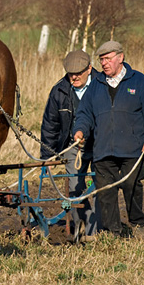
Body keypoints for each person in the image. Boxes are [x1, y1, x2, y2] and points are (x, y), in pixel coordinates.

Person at [74, 40, 144, 238]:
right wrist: (80, 131)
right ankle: (113, 232)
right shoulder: (95, 86)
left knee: (132, 186)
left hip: (132, 149)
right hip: (103, 149)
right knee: (105, 192)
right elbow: (84, 114)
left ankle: (138, 225)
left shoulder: (139, 82)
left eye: (108, 58)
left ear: (120, 57)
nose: (104, 63)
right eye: (101, 59)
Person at [40, 49, 100, 242]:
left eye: (79, 73)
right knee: (74, 187)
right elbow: (50, 126)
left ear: (89, 68)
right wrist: (47, 156)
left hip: (100, 145)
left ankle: (97, 231)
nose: (74, 77)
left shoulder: (104, 85)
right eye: (70, 73)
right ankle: (80, 229)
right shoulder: (59, 91)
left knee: (102, 188)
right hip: (72, 147)